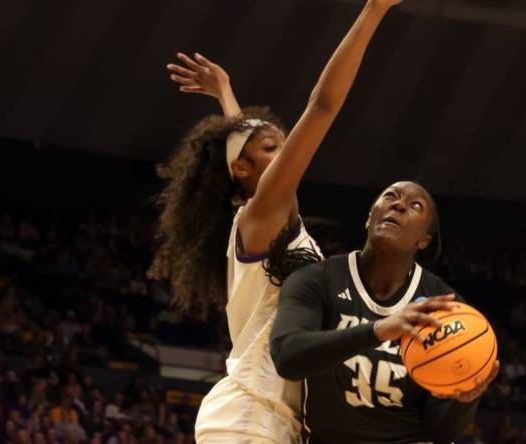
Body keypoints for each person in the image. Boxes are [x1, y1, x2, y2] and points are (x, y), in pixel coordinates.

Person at [149, 0, 404, 442]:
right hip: (249, 416)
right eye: (274, 149)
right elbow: (322, 106)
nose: (286, 153)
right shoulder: (257, 218)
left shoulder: (274, 225)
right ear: (242, 172)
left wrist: (226, 94)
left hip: (274, 420)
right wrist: (373, 11)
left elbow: (240, 146)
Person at [271, 181, 499, 444]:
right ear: (369, 219)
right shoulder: (319, 279)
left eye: (415, 205)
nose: (399, 204)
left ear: (423, 240)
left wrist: (463, 402)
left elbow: (441, 433)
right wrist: (378, 330)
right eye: (391, 196)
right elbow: (286, 356)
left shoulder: (446, 308)